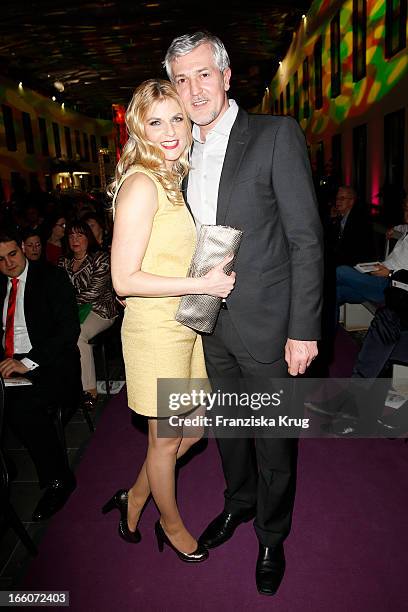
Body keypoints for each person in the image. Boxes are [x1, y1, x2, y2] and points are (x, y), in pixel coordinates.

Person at [164, 32, 323, 595]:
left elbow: (306, 240)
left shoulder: (276, 136)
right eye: (182, 80)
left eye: (203, 74)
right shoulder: (178, 153)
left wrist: (303, 330)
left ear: (227, 77)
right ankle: (238, 503)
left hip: (269, 323)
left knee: (273, 439)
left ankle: (271, 535)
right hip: (210, 322)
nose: (194, 89)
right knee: (231, 429)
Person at [104, 78, 235, 562]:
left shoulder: (170, 181)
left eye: (176, 117)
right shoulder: (141, 183)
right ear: (139, 128)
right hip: (156, 332)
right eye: (155, 121)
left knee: (193, 431)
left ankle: (134, 497)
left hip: (186, 326)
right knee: (165, 441)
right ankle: (172, 524)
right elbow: (124, 280)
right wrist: (202, 285)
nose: (170, 130)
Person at [0, 230, 81, 521]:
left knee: (22, 407)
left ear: (22, 248)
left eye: (12, 254)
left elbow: (68, 331)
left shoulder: (51, 279)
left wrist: (29, 362)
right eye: (0, 259)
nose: (8, 263)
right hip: (8, 361)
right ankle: (5, 465)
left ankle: (60, 478)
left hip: (50, 364)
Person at [59, 220, 117, 406]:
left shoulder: (100, 258)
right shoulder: (64, 261)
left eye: (80, 235)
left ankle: (89, 390)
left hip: (100, 309)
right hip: (71, 310)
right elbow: (57, 290)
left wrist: (65, 302)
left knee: (78, 336)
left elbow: (94, 292)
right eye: (71, 236)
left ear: (88, 238)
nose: (75, 240)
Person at [336, 195, 408, 309]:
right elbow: (403, 228)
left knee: (340, 271)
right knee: (337, 292)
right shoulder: (406, 228)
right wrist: (394, 229)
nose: (406, 213)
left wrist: (390, 273)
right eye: (406, 209)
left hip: (392, 286)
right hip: (378, 279)